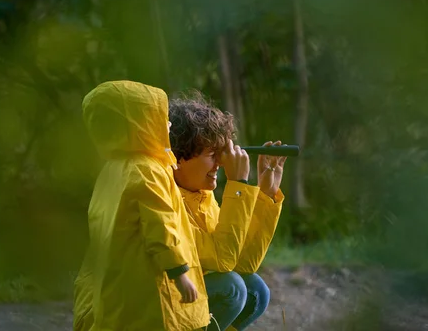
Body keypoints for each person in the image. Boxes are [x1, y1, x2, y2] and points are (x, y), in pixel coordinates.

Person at [73, 80, 210, 331]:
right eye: (158, 117)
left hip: (121, 283)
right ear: (139, 125)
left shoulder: (112, 170)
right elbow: (161, 225)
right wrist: (179, 273)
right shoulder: (148, 170)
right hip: (150, 288)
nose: (168, 124)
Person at [169, 92, 287, 331]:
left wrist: (265, 194)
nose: (221, 164)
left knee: (256, 290)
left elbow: (242, 264)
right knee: (231, 287)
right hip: (159, 305)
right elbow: (224, 260)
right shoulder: (165, 198)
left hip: (185, 299)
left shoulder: (201, 196)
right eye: (213, 154)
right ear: (178, 157)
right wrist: (239, 185)